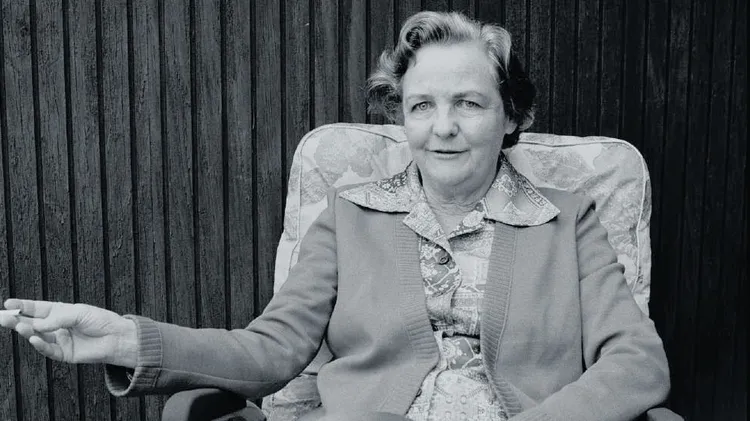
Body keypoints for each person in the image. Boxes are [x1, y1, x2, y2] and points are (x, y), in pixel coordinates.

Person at [1, 11, 670, 421]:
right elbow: (268, 351)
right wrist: (127, 339)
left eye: (469, 103)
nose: (443, 127)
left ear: (513, 116)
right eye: (421, 106)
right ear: (401, 117)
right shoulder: (348, 216)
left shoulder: (568, 220)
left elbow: (636, 362)